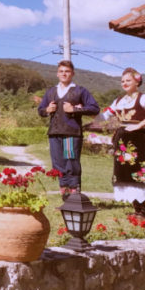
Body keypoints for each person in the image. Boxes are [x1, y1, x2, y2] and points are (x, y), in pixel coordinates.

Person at [98, 68, 145, 219]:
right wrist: (82, 109)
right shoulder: (118, 101)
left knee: (142, 172)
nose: (125, 83)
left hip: (140, 140)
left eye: (128, 80)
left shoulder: (143, 98)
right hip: (123, 142)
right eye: (122, 81)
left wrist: (139, 125)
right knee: (128, 173)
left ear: (137, 81)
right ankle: (137, 210)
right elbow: (102, 117)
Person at [38, 60, 100, 195]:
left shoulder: (80, 91)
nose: (64, 74)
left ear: (73, 73)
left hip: (71, 133)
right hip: (54, 133)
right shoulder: (51, 92)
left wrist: (74, 110)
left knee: (71, 163)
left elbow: (94, 109)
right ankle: (64, 195)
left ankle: (74, 194)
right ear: (57, 74)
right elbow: (41, 110)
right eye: (61, 71)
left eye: (67, 71)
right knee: (58, 165)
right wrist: (48, 109)